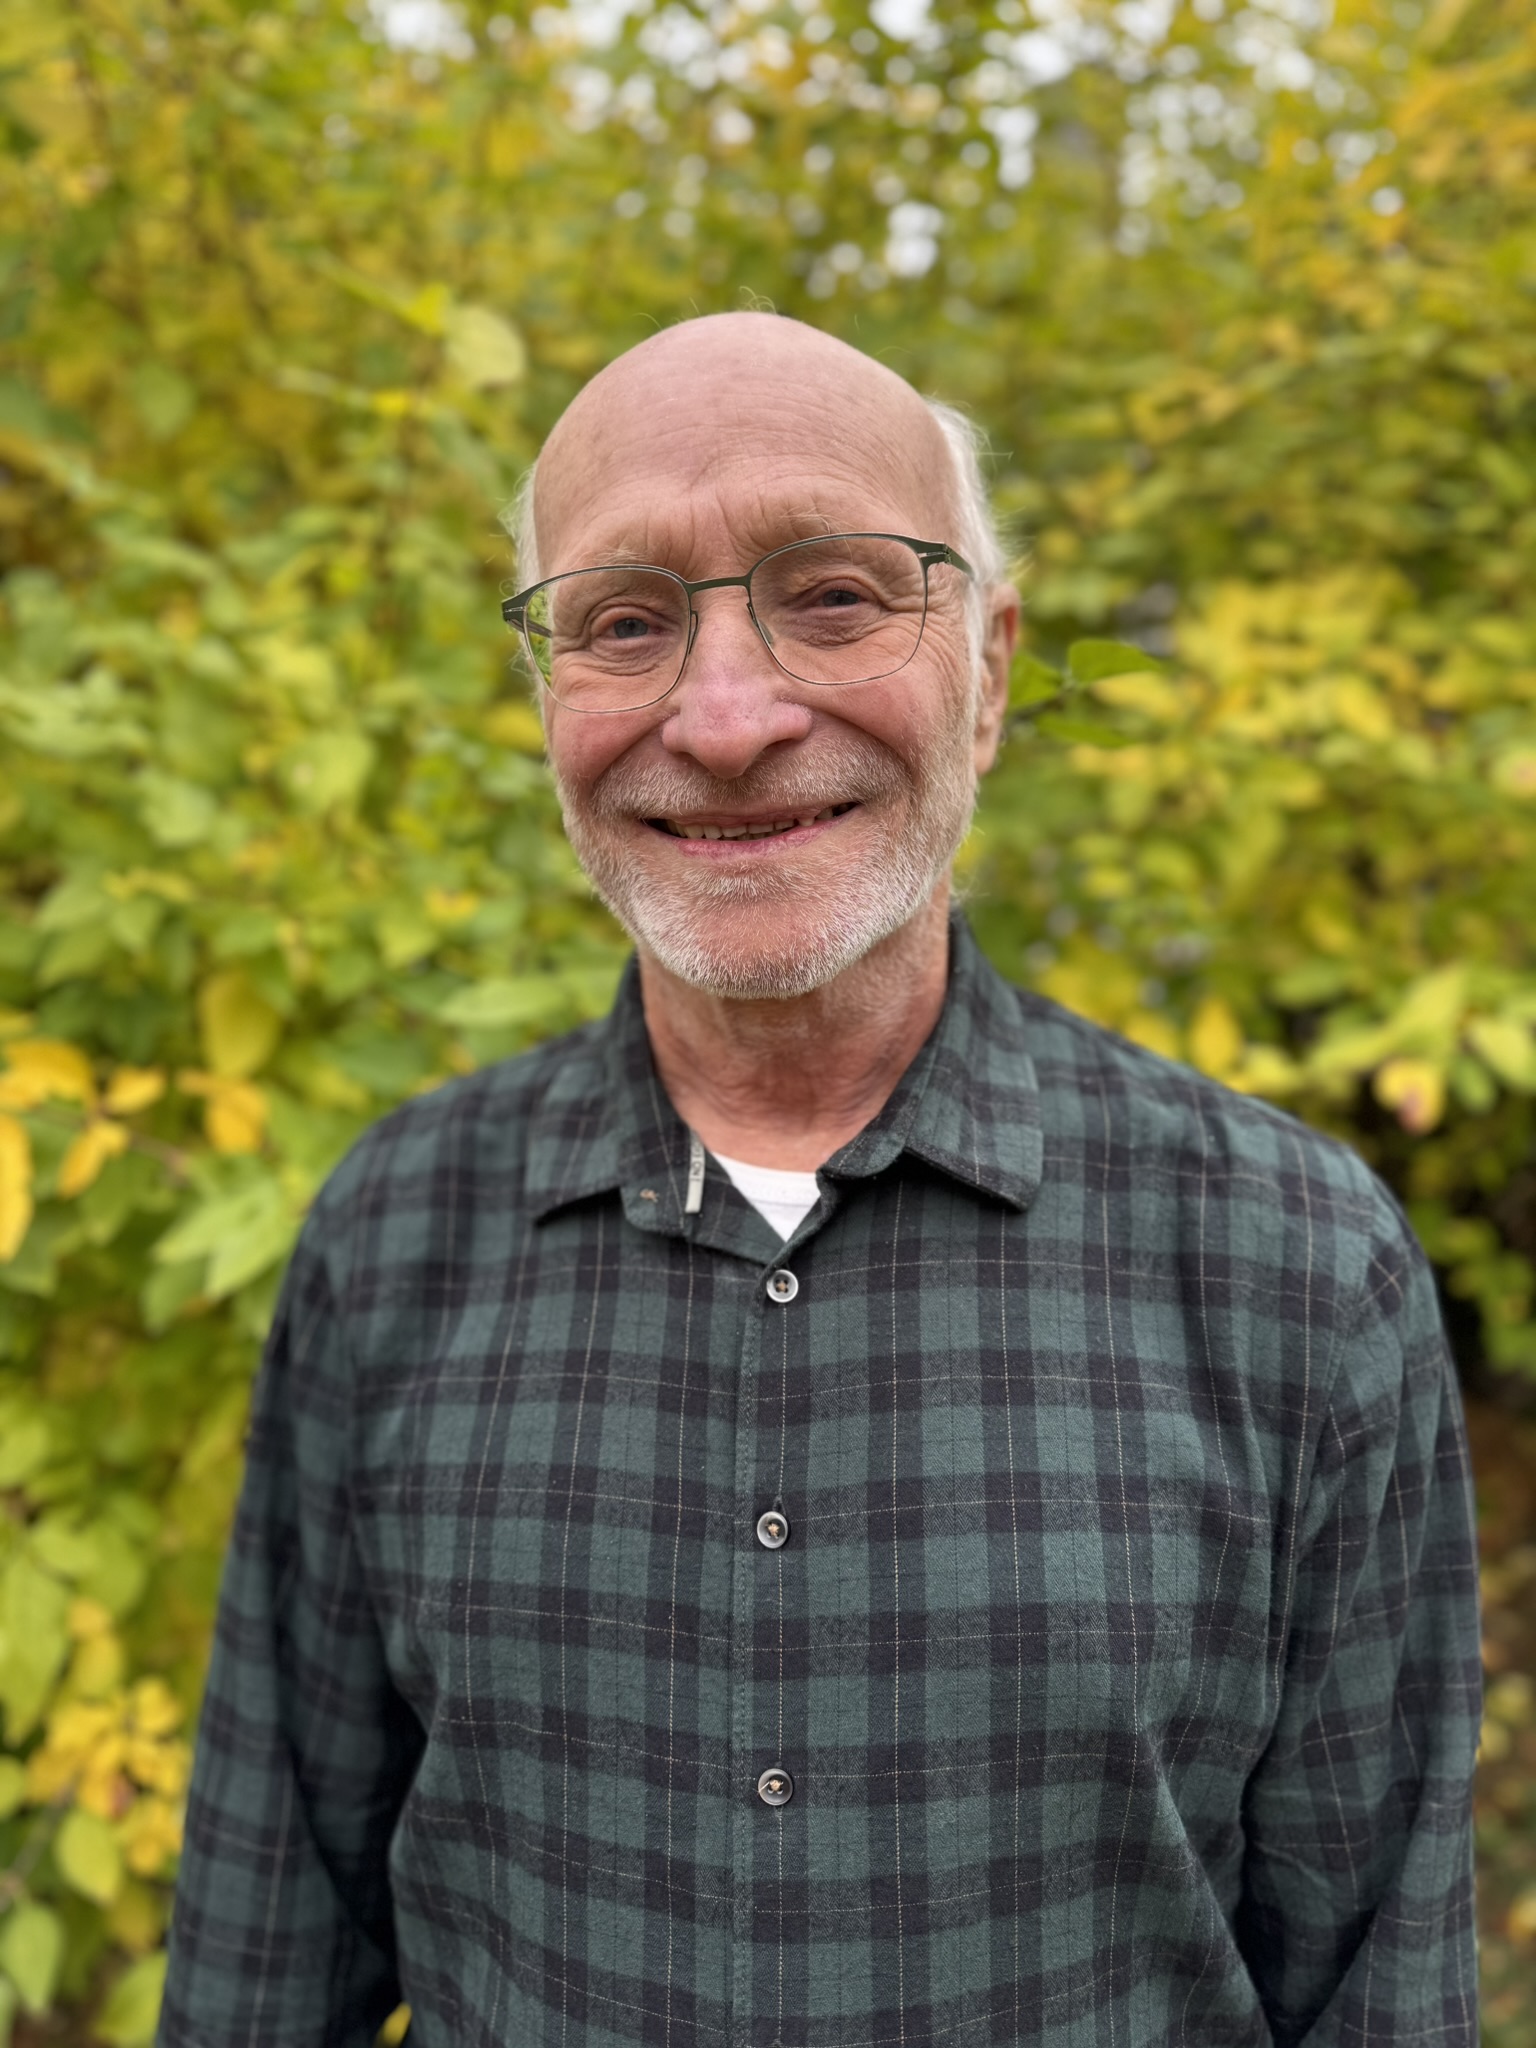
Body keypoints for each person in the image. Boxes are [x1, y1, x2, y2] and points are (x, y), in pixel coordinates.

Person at [159, 313, 1481, 2048]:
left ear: (988, 675)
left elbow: (1383, 1987)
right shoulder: (393, 1237)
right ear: (547, 695)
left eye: (838, 596)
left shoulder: (1295, 1265)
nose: (723, 719)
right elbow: (265, 1955)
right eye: (623, 622)